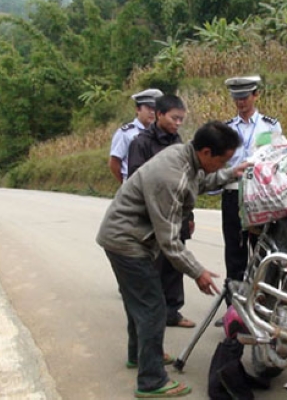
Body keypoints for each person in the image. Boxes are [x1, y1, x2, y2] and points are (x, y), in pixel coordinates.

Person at [96, 121, 249, 398]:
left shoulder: (185, 157)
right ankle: (151, 381)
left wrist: (230, 173)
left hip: (126, 237)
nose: (224, 163)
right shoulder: (171, 176)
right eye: (223, 159)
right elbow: (169, 241)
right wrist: (197, 272)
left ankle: (139, 356)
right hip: (127, 242)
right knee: (154, 308)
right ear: (205, 151)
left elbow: (199, 181)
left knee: (139, 304)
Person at [127, 95, 196, 328]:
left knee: (175, 264)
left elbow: (187, 179)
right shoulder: (141, 143)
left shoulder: (178, 142)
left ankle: (172, 312)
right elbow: (136, 180)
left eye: (181, 119)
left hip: (177, 213)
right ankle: (151, 316)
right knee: (152, 267)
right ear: (159, 115)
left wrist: (189, 216)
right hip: (153, 216)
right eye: (174, 118)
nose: (178, 123)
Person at [221, 75, 283, 283]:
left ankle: (259, 300)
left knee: (262, 248)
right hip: (233, 192)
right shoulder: (226, 129)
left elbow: (280, 158)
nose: (241, 102)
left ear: (255, 95)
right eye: (237, 98)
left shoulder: (270, 126)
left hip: (260, 193)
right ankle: (233, 306)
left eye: (245, 97)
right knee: (235, 250)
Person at [108, 88, 163, 183]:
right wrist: (125, 183)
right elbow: (114, 163)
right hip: (133, 185)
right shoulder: (126, 133)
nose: (152, 112)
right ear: (138, 109)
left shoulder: (160, 133)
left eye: (155, 109)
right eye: (149, 108)